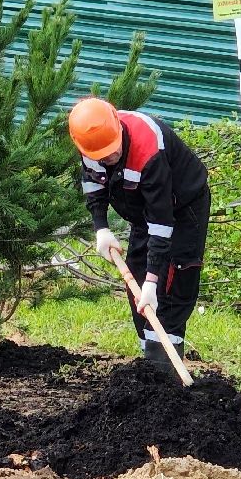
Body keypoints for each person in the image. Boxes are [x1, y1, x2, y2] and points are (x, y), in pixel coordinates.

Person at [69, 97, 210, 372]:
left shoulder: (148, 147)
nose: (109, 158)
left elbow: (161, 221)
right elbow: (93, 185)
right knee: (136, 276)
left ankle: (165, 374)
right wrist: (102, 228)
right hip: (143, 214)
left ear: (118, 129)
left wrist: (153, 280)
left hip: (182, 207)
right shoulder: (92, 142)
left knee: (172, 282)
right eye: (101, 156)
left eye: (113, 151)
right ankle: (151, 369)